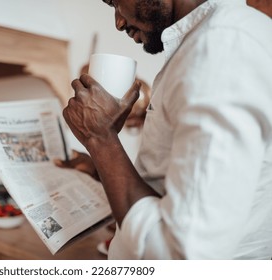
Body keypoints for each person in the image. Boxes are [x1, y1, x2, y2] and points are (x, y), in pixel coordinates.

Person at [57, 0, 272, 259]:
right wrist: (98, 163)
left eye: (115, 2)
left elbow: (182, 255)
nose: (119, 22)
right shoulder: (203, 43)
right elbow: (169, 186)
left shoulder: (222, 46)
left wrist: (100, 139)